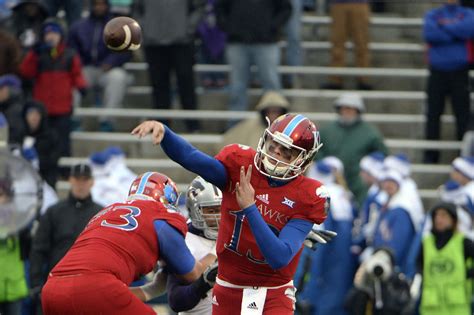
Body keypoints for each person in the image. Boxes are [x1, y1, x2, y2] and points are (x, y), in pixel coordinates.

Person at [132, 113, 329, 314]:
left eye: (287, 151)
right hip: (228, 288)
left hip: (273, 292)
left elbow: (279, 257)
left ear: (303, 160)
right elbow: (192, 157)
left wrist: (250, 209)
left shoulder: (308, 195)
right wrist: (166, 134)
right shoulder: (242, 166)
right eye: (273, 144)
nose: (276, 152)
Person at [41, 172, 217, 314]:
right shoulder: (159, 216)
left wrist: (153, 288)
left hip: (52, 289)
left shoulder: (104, 213)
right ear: (167, 198)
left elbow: (107, 295)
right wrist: (217, 251)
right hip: (94, 286)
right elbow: (193, 274)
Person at [137, 176, 222, 313]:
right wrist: (204, 283)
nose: (219, 216)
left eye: (222, 209)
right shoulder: (183, 239)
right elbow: (176, 300)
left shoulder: (240, 230)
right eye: (211, 211)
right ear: (195, 210)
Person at [29, 164, 102, 313]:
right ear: (70, 180)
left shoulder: (101, 214)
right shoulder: (54, 212)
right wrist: (36, 284)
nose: (80, 184)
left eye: (85, 180)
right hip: (55, 286)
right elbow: (38, 249)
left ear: (92, 182)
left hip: (88, 289)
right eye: (77, 179)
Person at [133, 0, 205, 132]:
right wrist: (146, 27)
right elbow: (136, 9)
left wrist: (187, 28)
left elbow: (199, 7)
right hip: (153, 44)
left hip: (182, 43)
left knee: (186, 84)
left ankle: (192, 125)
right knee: (158, 85)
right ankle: (161, 127)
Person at [20, 19, 87, 158]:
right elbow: (26, 72)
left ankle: (64, 171)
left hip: (62, 107)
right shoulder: (38, 54)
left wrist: (81, 86)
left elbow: (77, 74)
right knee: (42, 141)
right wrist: (34, 53)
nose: (51, 36)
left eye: (54, 33)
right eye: (48, 33)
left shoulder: (69, 54)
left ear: (60, 36)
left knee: (62, 140)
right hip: (42, 108)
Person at [215, 0, 291, 113]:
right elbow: (220, 8)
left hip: (266, 42)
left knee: (271, 84)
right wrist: (230, 27)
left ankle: (277, 126)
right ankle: (236, 124)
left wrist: (271, 26)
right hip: (237, 42)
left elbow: (286, 9)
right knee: (237, 87)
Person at [422, 0, 474, 164]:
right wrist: (455, 31)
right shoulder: (432, 15)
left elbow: (468, 30)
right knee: (433, 114)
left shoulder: (468, 13)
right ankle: (431, 154)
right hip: (437, 71)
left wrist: (444, 27)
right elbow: (430, 34)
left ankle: (464, 155)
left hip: (460, 71)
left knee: (462, 115)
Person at [68, 0, 132, 132]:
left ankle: (107, 120)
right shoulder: (79, 26)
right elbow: (71, 50)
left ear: (107, 6)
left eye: (102, 4)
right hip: (86, 68)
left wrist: (111, 62)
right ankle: (73, 118)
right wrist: (79, 64)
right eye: (96, 4)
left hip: (109, 69)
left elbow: (125, 51)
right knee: (71, 77)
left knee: (118, 78)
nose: (99, 7)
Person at [317, 93, 387, 206]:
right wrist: (321, 160)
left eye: (351, 109)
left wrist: (374, 159)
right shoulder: (327, 130)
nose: (347, 112)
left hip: (358, 180)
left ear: (358, 111)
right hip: (333, 178)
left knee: (360, 206)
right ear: (339, 110)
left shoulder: (370, 132)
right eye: (344, 108)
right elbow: (315, 149)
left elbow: (383, 152)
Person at [416, 202, 474, 315]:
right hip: (431, 307)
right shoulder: (426, 243)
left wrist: (466, 273)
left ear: (453, 219)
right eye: (436, 215)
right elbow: (418, 266)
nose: (439, 219)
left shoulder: (463, 242)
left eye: (443, 215)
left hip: (457, 307)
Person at [321, 0, 372, 90]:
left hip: (359, 4)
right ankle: (335, 80)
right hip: (339, 4)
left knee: (362, 44)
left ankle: (363, 79)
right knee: (337, 43)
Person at [219, 91, 289, 150]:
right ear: (264, 112)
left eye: (276, 111)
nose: (273, 115)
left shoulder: (289, 129)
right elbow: (225, 144)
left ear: (282, 113)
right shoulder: (249, 126)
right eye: (270, 111)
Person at [21, 100, 60, 188]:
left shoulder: (51, 136)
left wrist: (36, 161)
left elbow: (54, 159)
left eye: (37, 114)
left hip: (45, 180)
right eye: (31, 114)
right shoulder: (19, 136)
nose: (34, 118)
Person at [0, 74, 26, 146]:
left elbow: (13, 138)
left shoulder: (14, 110)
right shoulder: (7, 107)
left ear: (7, 90)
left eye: (0, 89)